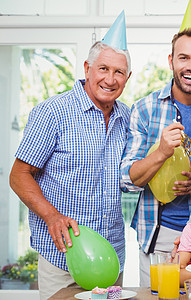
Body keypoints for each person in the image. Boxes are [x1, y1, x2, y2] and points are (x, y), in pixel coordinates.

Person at [8, 12, 132, 299]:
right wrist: (52, 217)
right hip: (62, 257)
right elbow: (18, 175)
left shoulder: (127, 117)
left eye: (119, 72)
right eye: (103, 69)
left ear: (127, 77)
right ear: (87, 68)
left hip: (112, 257)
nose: (110, 79)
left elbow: (131, 175)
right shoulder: (53, 112)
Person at [120, 27, 191, 287]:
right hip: (159, 235)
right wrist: (161, 152)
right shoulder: (145, 109)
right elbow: (127, 180)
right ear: (171, 61)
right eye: (184, 58)